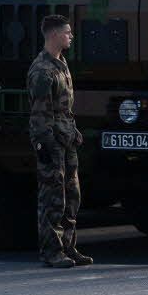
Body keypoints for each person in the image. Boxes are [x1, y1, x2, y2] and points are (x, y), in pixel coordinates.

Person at [28, 14, 92, 269]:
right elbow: (40, 114)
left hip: (66, 139)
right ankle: (51, 251)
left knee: (71, 196)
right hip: (52, 141)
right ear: (54, 35)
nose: (71, 36)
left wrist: (73, 131)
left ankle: (68, 247)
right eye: (67, 33)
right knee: (52, 198)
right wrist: (44, 145)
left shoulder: (61, 64)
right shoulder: (42, 71)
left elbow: (64, 108)